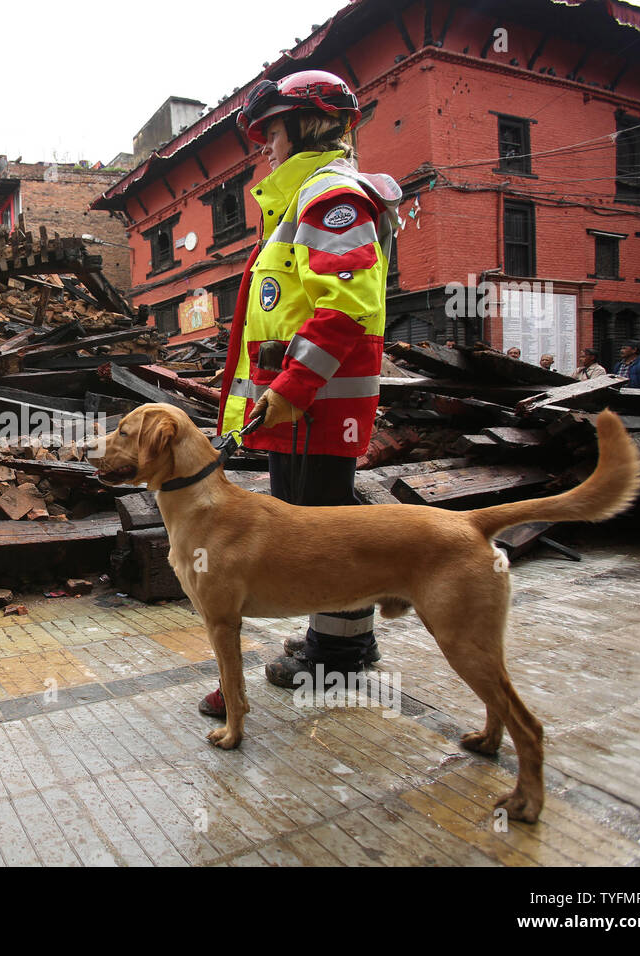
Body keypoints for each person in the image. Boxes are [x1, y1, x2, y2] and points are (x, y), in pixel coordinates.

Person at [202, 69, 403, 718]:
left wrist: (292, 387)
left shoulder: (330, 198)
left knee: (317, 538)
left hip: (313, 408)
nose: (267, 146)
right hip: (299, 409)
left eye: (272, 131)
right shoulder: (298, 202)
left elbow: (346, 303)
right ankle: (342, 640)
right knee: (324, 529)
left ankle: (337, 654)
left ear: (305, 125)